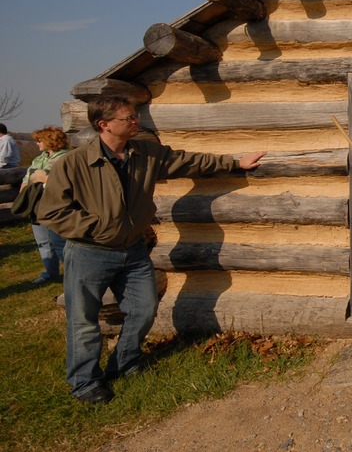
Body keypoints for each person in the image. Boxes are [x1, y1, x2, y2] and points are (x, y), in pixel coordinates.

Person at [36, 96, 265, 405]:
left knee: (144, 309)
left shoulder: (144, 152)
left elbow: (189, 161)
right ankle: (84, 382)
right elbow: (51, 212)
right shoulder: (74, 163)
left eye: (134, 117)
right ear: (104, 125)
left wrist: (235, 162)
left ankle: (124, 364)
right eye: (128, 118)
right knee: (83, 320)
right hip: (90, 252)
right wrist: (95, 229)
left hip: (133, 251)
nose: (135, 122)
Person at [21, 126, 70, 284]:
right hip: (37, 206)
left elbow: (65, 183)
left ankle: (72, 274)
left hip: (57, 207)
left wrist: (42, 178)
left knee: (60, 242)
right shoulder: (39, 159)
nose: (37, 144)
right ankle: (50, 272)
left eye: (40, 140)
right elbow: (27, 179)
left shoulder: (66, 158)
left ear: (51, 140)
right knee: (43, 241)